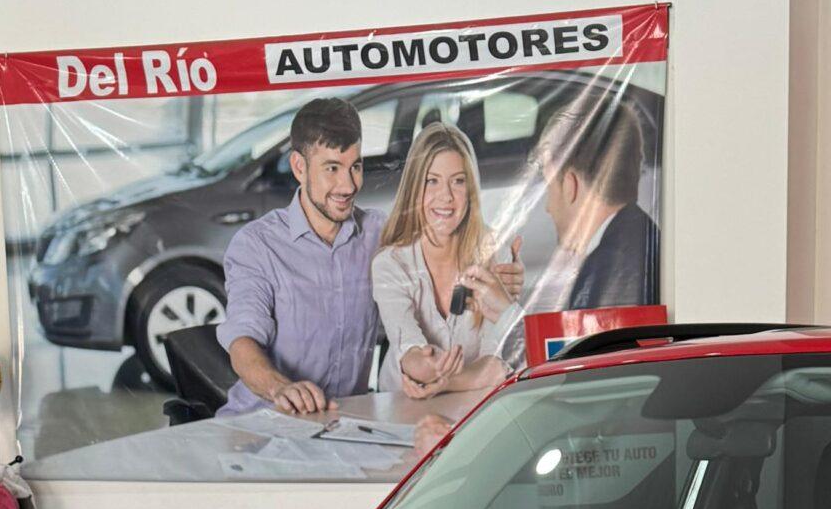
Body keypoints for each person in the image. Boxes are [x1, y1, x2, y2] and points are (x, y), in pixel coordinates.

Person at [215, 97, 382, 417]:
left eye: (355, 167)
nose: (348, 185)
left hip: (344, 428)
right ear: (299, 167)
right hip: (262, 428)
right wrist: (281, 388)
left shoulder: (378, 234)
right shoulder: (257, 245)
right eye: (332, 168)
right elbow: (242, 340)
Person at [371, 123, 525, 418]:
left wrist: (444, 381)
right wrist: (424, 367)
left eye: (458, 181)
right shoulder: (390, 264)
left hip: (476, 415)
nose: (446, 197)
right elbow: (409, 353)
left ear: (471, 190)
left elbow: (501, 362)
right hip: (403, 411)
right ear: (415, 188)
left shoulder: (496, 254)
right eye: (432, 181)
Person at [533, 93, 658, 311]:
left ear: (571, 186)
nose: (548, 208)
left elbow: (580, 344)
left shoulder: (606, 275)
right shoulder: (645, 237)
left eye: (549, 187)